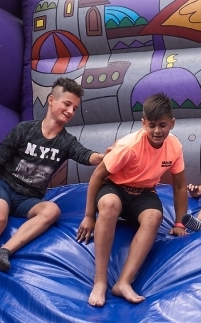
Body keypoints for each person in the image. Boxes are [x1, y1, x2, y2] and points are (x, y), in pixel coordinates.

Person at [0, 77, 105, 293]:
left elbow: (85, 155)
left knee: (52, 210)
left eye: (74, 108)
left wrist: (104, 157)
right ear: (52, 100)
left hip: (29, 198)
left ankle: (3, 251)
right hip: (4, 188)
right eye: (67, 104)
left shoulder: (66, 142)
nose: (71, 111)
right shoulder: (24, 130)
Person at [77, 93, 188, 307]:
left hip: (144, 193)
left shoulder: (175, 147)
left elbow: (180, 185)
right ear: (143, 123)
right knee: (110, 205)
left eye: (163, 125)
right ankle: (99, 281)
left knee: (154, 216)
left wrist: (179, 222)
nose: (157, 131)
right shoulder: (128, 147)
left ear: (172, 123)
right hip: (115, 187)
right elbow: (97, 176)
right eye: (152, 125)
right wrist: (90, 215)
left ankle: (123, 282)